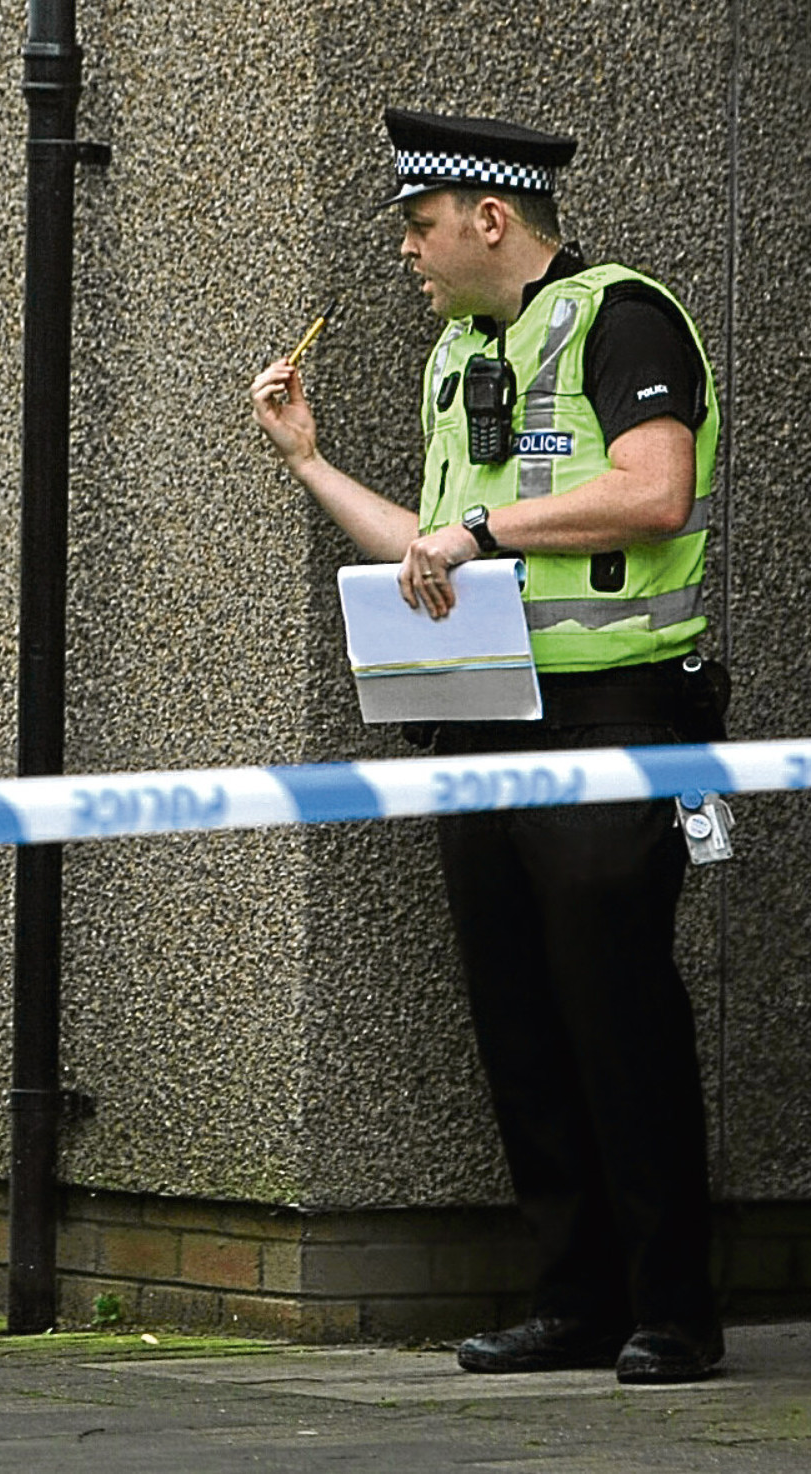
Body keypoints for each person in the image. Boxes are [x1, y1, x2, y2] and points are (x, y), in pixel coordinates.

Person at [248, 109, 725, 1384]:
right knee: (517, 1022)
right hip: (483, 715)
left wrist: (483, 534)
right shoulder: (457, 353)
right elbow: (430, 542)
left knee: (615, 1012)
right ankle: (570, 1301)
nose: (407, 250)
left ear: (489, 218)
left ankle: (670, 1307)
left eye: (418, 225)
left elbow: (653, 488)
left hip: (613, 716)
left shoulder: (624, 317)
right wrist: (310, 464)